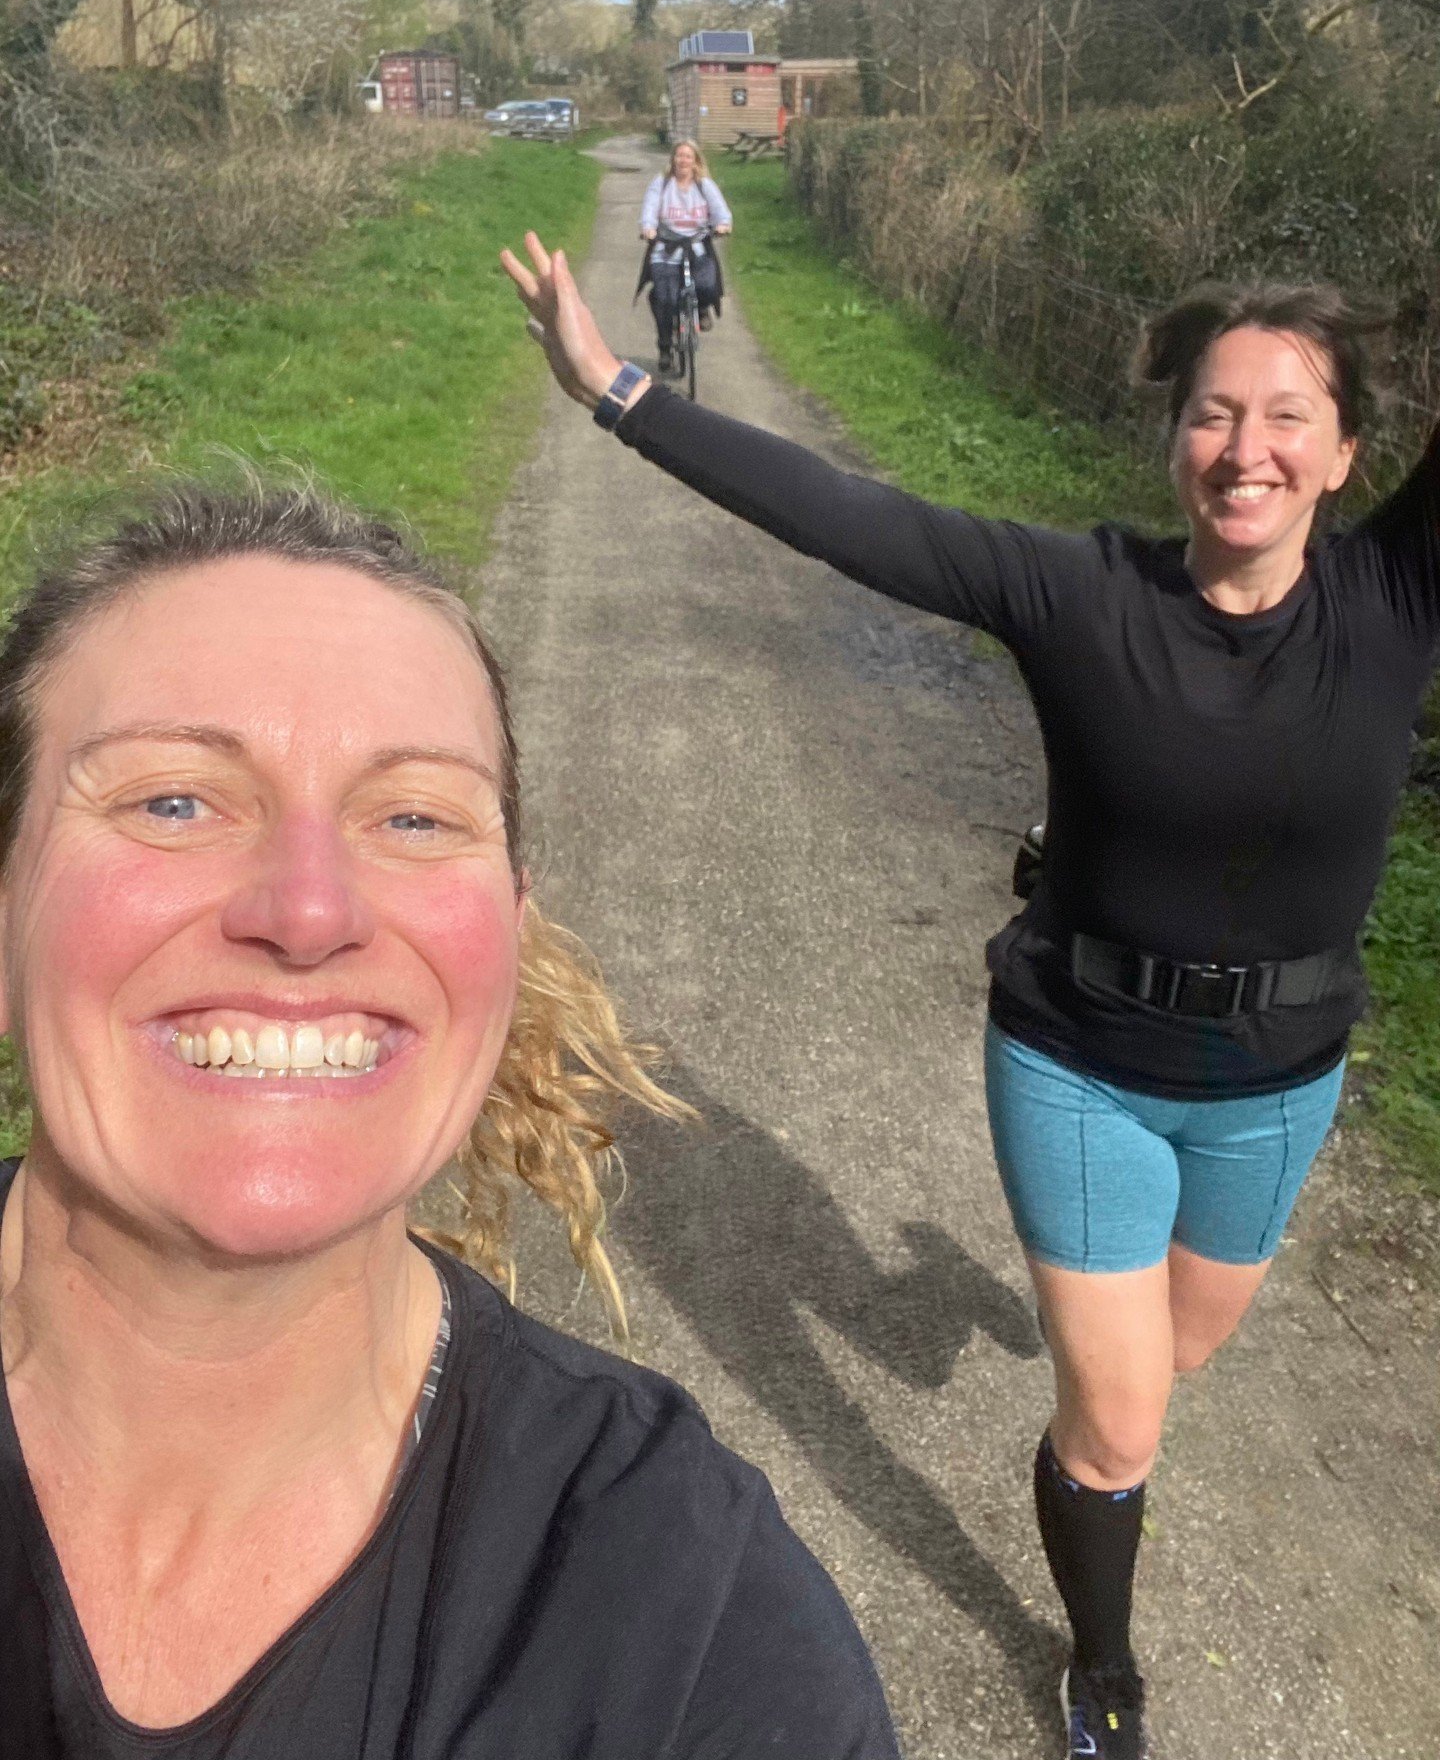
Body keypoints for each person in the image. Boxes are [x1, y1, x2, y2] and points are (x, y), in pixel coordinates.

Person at [501, 233, 1440, 1760]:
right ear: (1172, 436)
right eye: (1211, 412)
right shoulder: (1083, 595)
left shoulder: (1397, 602)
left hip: (1282, 1075)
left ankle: (1084, 1371)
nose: (1243, 448)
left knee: (1179, 1352)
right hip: (1082, 1058)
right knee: (1123, 1421)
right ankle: (1105, 1663)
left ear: (1344, 452)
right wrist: (612, 385)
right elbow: (849, 518)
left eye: (1284, 416)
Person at [0, 480, 904, 1759]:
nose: (308, 911)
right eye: (175, 801)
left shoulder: (689, 1624)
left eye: (415, 816)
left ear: (506, 940)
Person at [638, 140, 732, 375]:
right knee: (664, 299)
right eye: (679, 156)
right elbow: (649, 209)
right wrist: (648, 228)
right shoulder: (661, 184)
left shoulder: (704, 186)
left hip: (697, 246)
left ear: (695, 161)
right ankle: (665, 348)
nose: (683, 161)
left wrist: (722, 225)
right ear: (673, 159)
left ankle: (701, 309)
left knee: (708, 284)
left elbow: (720, 210)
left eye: (688, 156)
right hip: (666, 248)